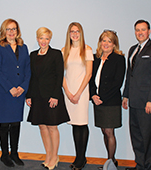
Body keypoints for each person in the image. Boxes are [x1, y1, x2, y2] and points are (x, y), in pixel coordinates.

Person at [26, 27, 70, 170]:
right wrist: (29, 95)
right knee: (42, 126)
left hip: (52, 96)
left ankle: (54, 156)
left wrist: (55, 95)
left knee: (52, 127)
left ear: (49, 39)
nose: (43, 41)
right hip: (37, 96)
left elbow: (59, 76)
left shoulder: (56, 54)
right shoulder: (32, 55)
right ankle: (48, 155)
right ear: (37, 39)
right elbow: (31, 77)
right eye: (41, 38)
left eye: (46, 38)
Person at [122, 20, 151, 170]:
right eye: (137, 30)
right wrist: (125, 96)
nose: (140, 32)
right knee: (137, 137)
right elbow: (129, 75)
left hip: (147, 103)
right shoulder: (133, 49)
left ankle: (150, 167)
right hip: (134, 101)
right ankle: (140, 166)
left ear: (149, 31)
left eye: (143, 30)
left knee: (149, 139)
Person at [0, 18, 31, 167]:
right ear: (3, 31)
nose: (11, 32)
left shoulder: (24, 47)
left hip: (19, 92)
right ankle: (4, 154)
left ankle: (14, 153)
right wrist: (10, 88)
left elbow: (28, 70)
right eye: (8, 29)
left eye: (14, 29)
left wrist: (23, 87)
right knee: (4, 124)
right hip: (4, 92)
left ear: (17, 31)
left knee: (15, 123)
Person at [89, 30, 126, 169]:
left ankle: (110, 163)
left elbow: (118, 82)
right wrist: (93, 95)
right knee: (104, 130)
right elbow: (91, 79)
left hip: (110, 102)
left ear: (114, 44)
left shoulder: (118, 59)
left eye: (109, 41)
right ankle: (111, 161)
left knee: (109, 132)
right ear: (100, 42)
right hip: (97, 101)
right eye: (104, 40)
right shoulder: (95, 58)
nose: (106, 43)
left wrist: (101, 98)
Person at [62, 22, 93, 170]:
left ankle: (82, 158)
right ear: (68, 34)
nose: (74, 34)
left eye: (77, 31)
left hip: (82, 92)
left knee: (82, 124)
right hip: (69, 92)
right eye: (72, 32)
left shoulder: (87, 50)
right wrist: (68, 92)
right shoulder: (64, 51)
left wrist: (78, 93)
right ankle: (78, 156)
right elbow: (61, 74)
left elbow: (89, 74)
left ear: (81, 33)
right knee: (74, 124)